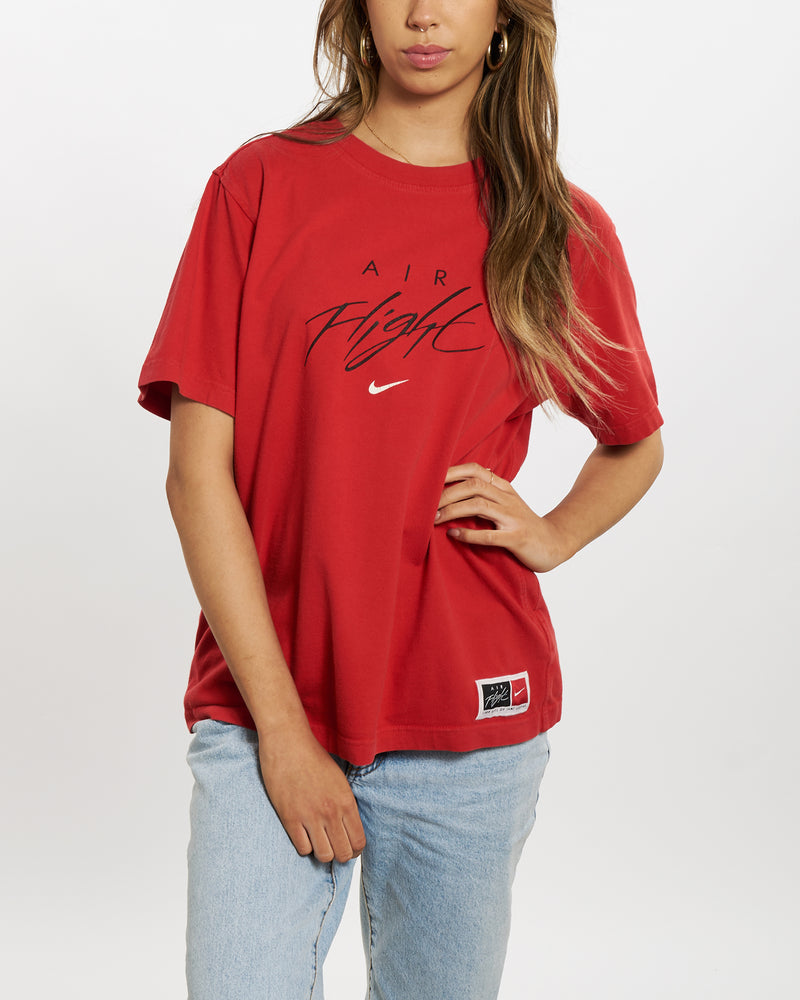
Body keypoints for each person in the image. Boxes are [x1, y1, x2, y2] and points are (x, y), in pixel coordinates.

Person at [138, 2, 664, 997]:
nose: (424, 12)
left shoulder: (554, 226)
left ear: (504, 18)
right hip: (263, 707)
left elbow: (633, 440)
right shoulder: (259, 187)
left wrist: (553, 532)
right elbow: (194, 475)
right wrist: (283, 732)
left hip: (469, 718)